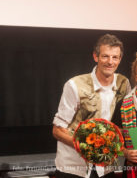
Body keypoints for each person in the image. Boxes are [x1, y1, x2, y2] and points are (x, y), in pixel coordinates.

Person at [52, 34, 131, 178]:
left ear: (120, 59)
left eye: (115, 57)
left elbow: (123, 123)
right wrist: (86, 147)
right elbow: (57, 130)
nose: (110, 62)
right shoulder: (75, 85)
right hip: (73, 168)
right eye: (105, 56)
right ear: (96, 56)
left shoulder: (123, 83)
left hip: (106, 167)